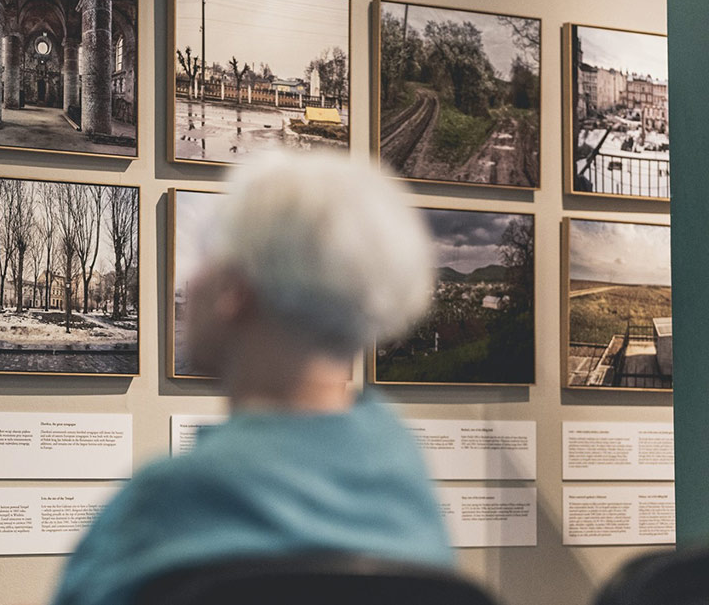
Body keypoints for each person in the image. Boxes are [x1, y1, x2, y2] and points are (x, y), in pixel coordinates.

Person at [50, 151, 453, 605]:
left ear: (234, 290)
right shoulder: (411, 499)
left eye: (204, 258)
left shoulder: (159, 509)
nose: (191, 283)